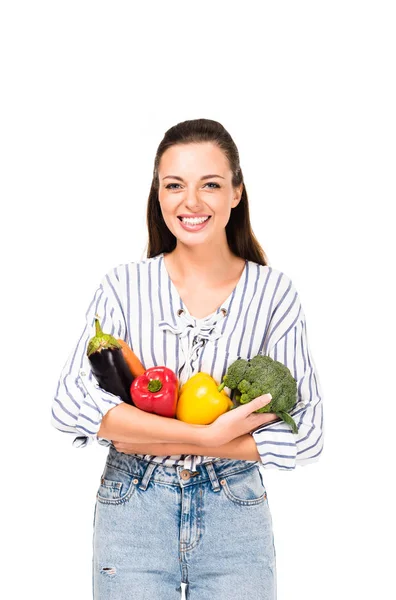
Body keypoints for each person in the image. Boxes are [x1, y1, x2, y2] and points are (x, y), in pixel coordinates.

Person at [51, 118, 324, 600]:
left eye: (211, 185)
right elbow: (71, 404)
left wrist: (168, 436)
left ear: (236, 193)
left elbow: (306, 432)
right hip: (132, 509)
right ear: (158, 194)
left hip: (234, 514)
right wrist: (210, 435)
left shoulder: (274, 293)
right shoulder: (123, 285)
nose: (191, 202)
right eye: (174, 185)